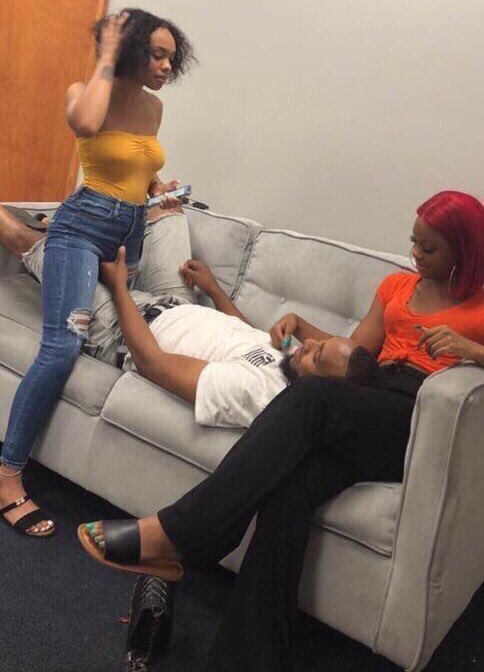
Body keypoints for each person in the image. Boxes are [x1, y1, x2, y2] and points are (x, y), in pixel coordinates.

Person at [77, 190, 484, 672]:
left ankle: (182, 531)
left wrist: (472, 350)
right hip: (369, 394)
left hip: (418, 417)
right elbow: (355, 353)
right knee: (291, 490)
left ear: (464, 249)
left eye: (429, 248)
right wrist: (303, 329)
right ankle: (246, 661)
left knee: (312, 397)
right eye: (413, 242)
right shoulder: (398, 287)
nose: (415, 255)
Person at [0, 9, 195, 538]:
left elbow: (141, 164)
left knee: (107, 332)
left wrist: (158, 189)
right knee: (62, 346)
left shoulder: (153, 108)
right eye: (156, 55)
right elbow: (85, 127)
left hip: (129, 232)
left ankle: (26, 242)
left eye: (171, 58)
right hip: (83, 226)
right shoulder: (85, 93)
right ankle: (8, 474)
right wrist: (106, 57)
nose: (166, 67)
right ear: (129, 50)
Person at [0, 204, 377, 432]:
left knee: (38, 244)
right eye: (319, 343)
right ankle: (69, 222)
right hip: (180, 302)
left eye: (316, 355)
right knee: (168, 209)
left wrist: (118, 288)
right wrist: (213, 289)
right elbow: (247, 335)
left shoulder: (254, 394)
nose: (307, 345)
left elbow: (152, 362)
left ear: (321, 392)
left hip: (120, 330)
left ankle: (51, 233)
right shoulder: (294, 361)